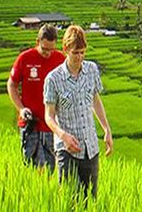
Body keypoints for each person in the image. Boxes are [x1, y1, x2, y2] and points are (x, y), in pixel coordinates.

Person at [44, 25, 113, 199]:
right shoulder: (53, 79)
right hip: (67, 149)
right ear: (65, 49)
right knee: (69, 199)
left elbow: (95, 100)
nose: (80, 57)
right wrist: (63, 135)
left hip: (90, 147)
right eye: (76, 53)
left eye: (83, 52)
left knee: (90, 199)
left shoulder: (91, 70)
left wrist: (106, 129)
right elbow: (49, 116)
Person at [7, 24, 66, 172]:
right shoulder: (25, 58)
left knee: (51, 170)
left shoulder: (60, 60)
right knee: (30, 168)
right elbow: (12, 85)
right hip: (30, 123)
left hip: (51, 126)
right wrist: (21, 109)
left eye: (51, 49)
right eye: (45, 49)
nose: (48, 53)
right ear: (37, 42)